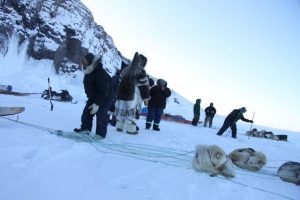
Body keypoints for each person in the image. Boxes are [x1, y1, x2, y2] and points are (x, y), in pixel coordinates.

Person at [74, 53, 112, 139]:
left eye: (85, 61)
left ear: (91, 62)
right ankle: (85, 130)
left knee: (101, 116)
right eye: (83, 61)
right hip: (94, 97)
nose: (83, 63)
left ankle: (100, 135)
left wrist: (97, 103)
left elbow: (104, 90)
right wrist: (91, 99)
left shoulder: (100, 72)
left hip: (106, 97)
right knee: (86, 113)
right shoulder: (88, 71)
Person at [115, 52, 150, 134]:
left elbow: (119, 81)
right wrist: (146, 98)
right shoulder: (141, 71)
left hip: (122, 94)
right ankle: (131, 129)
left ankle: (120, 126)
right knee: (133, 112)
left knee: (122, 110)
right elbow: (144, 85)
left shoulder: (126, 69)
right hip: (134, 95)